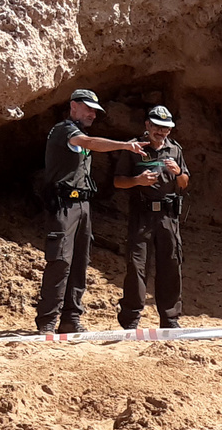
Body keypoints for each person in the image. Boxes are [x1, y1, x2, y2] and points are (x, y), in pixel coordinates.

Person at [35, 89, 147, 334]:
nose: (93, 114)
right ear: (73, 106)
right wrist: (126, 146)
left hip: (83, 204)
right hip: (64, 205)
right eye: (88, 109)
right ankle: (47, 321)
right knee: (60, 261)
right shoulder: (65, 130)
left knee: (79, 262)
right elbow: (90, 143)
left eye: (95, 111)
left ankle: (70, 319)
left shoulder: (79, 133)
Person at [112, 105, 191, 330]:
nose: (161, 131)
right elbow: (118, 181)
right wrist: (138, 180)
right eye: (157, 126)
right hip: (142, 215)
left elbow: (184, 183)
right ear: (147, 125)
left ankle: (170, 319)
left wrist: (178, 173)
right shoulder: (134, 148)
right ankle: (130, 320)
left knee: (171, 264)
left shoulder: (175, 150)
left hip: (168, 216)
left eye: (166, 128)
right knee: (136, 266)